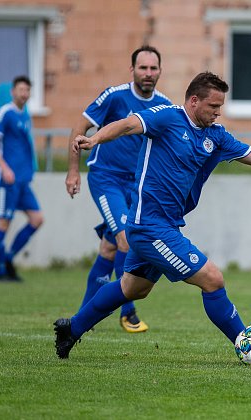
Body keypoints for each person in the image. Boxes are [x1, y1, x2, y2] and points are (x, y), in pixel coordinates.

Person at [53, 71, 251, 359]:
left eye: (220, 108)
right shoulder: (167, 117)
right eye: (213, 107)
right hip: (149, 226)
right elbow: (125, 125)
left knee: (132, 288)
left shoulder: (216, 136)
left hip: (166, 225)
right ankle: (247, 344)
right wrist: (94, 139)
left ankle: (71, 329)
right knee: (212, 278)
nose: (218, 113)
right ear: (194, 101)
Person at [65, 46, 172, 333]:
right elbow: (80, 127)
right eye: (142, 68)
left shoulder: (164, 105)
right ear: (132, 70)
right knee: (125, 240)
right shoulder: (114, 96)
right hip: (106, 179)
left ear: (160, 71)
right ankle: (128, 312)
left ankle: (80, 320)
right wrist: (73, 170)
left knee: (110, 246)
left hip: (136, 187)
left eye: (153, 68)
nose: (148, 73)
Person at [0, 76, 43, 282]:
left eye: (27, 90)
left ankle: (8, 258)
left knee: (37, 219)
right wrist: (4, 168)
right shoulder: (5, 112)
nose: (24, 93)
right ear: (13, 91)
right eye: (21, 89)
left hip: (22, 181)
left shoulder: (24, 115)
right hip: (6, 179)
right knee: (3, 222)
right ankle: (0, 271)